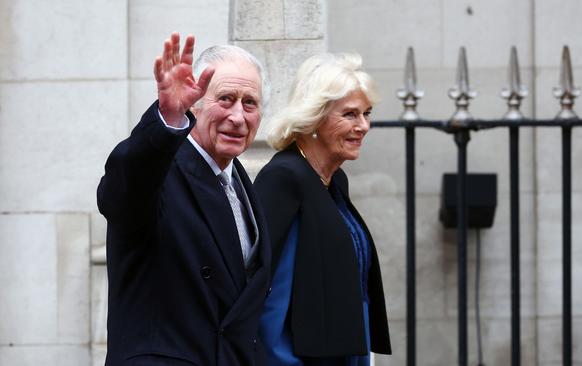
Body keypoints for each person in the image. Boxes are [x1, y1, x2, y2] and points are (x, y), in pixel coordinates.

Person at [97, 32, 272, 365]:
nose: (238, 116)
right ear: (196, 103)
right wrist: (167, 121)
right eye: (225, 99)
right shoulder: (161, 170)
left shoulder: (239, 182)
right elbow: (120, 192)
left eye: (249, 103)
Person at [254, 53, 391, 365]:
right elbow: (270, 302)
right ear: (314, 117)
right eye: (350, 115)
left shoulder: (334, 181)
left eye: (367, 114)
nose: (364, 126)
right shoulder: (285, 178)